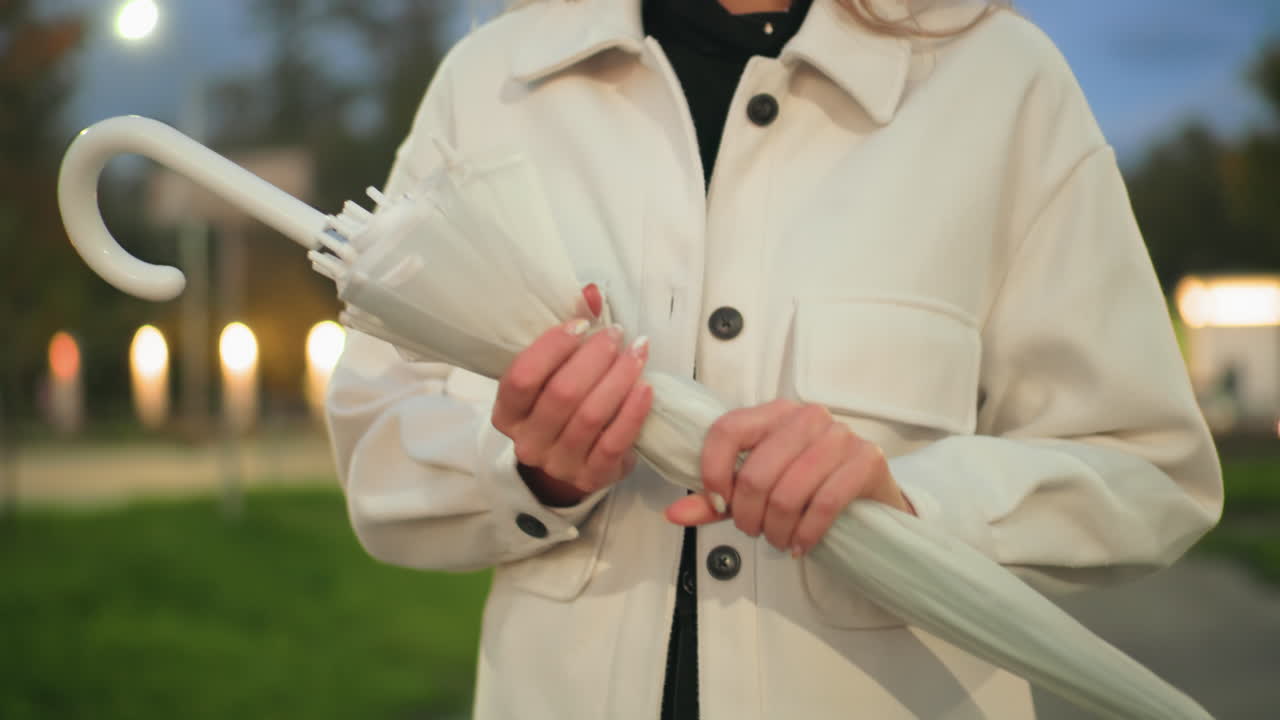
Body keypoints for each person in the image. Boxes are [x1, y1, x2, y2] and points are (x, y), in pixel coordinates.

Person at [325, 0, 1224, 718]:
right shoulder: (490, 83)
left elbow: (1148, 468)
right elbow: (378, 446)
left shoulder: (1003, 82)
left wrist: (918, 507)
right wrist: (527, 471)